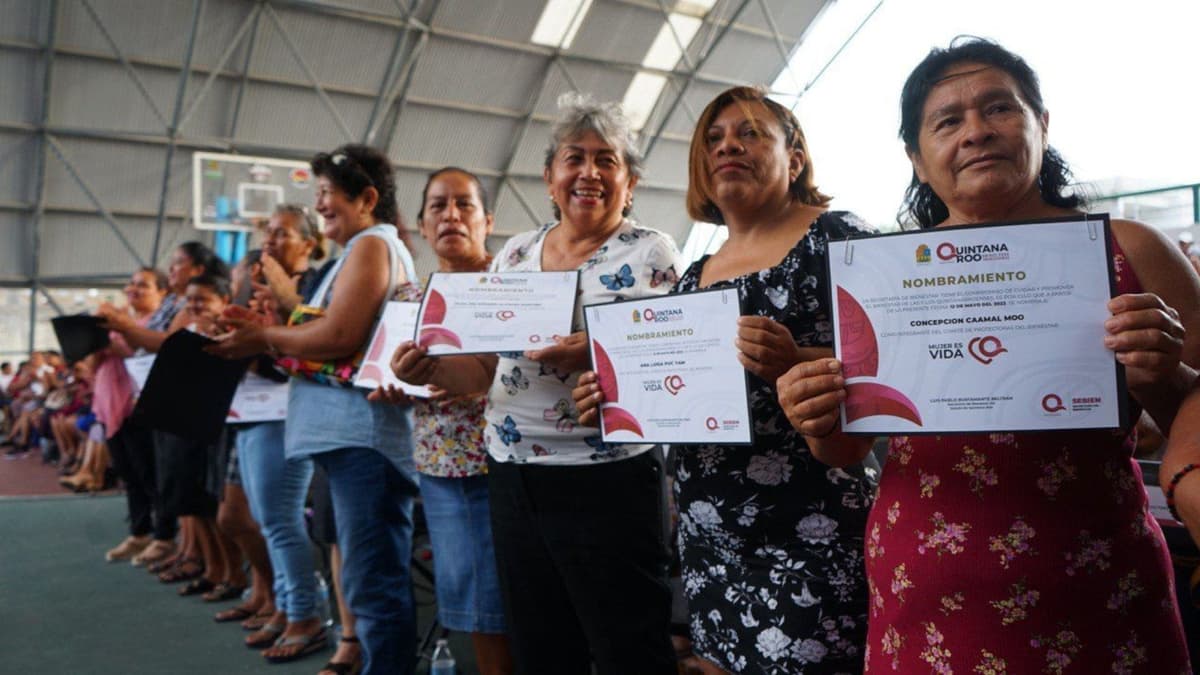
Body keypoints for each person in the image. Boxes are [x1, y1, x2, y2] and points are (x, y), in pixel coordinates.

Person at [777, 38, 1200, 673]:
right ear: (918, 159)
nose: (976, 132)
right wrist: (816, 416)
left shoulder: (1132, 251)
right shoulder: (882, 278)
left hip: (1098, 591)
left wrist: (1163, 378)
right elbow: (845, 447)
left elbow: (1189, 424)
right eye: (948, 120)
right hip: (923, 597)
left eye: (999, 108)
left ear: (1042, 124)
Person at [573, 85, 876, 674]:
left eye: (750, 132)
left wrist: (796, 358)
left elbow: (894, 360)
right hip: (711, 538)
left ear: (795, 158)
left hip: (812, 532)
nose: (727, 145)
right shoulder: (694, 277)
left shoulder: (836, 237)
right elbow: (672, 393)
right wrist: (612, 397)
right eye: (713, 138)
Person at [391, 94, 680, 675]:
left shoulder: (651, 251)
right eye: (575, 157)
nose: (589, 172)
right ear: (550, 177)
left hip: (608, 476)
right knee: (540, 641)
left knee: (628, 641)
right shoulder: (516, 254)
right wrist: (428, 371)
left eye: (608, 160)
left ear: (630, 182)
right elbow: (484, 370)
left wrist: (593, 351)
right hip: (514, 471)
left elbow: (668, 361)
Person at [210, 143, 418, 674]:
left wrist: (265, 335)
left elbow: (339, 335)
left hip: (362, 439)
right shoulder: (354, 253)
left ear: (367, 198)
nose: (320, 204)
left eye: (327, 193)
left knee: (373, 585)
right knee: (365, 580)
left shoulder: (372, 246)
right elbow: (319, 336)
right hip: (344, 438)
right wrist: (275, 320)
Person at [372, 167, 512, 675]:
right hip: (442, 466)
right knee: (474, 597)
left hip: (509, 462)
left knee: (510, 595)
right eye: (437, 206)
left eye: (464, 204)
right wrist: (393, 389)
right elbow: (389, 375)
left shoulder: (511, 284)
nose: (451, 215)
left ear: (487, 220)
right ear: (423, 224)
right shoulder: (408, 301)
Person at [98, 267, 169, 561]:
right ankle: (140, 532)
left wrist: (120, 336)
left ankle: (165, 536)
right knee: (130, 473)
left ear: (161, 293)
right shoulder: (121, 324)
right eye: (132, 284)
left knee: (150, 474)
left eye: (144, 285)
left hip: (140, 406)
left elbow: (150, 355)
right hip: (110, 404)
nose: (134, 289)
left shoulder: (155, 324)